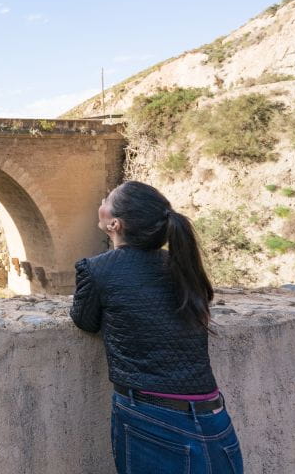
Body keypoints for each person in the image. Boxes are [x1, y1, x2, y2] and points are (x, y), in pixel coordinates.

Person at [70, 180, 243, 474]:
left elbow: (84, 320)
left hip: (152, 420)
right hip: (214, 417)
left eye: (107, 199)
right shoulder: (182, 267)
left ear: (115, 224)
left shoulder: (98, 269)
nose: (101, 201)